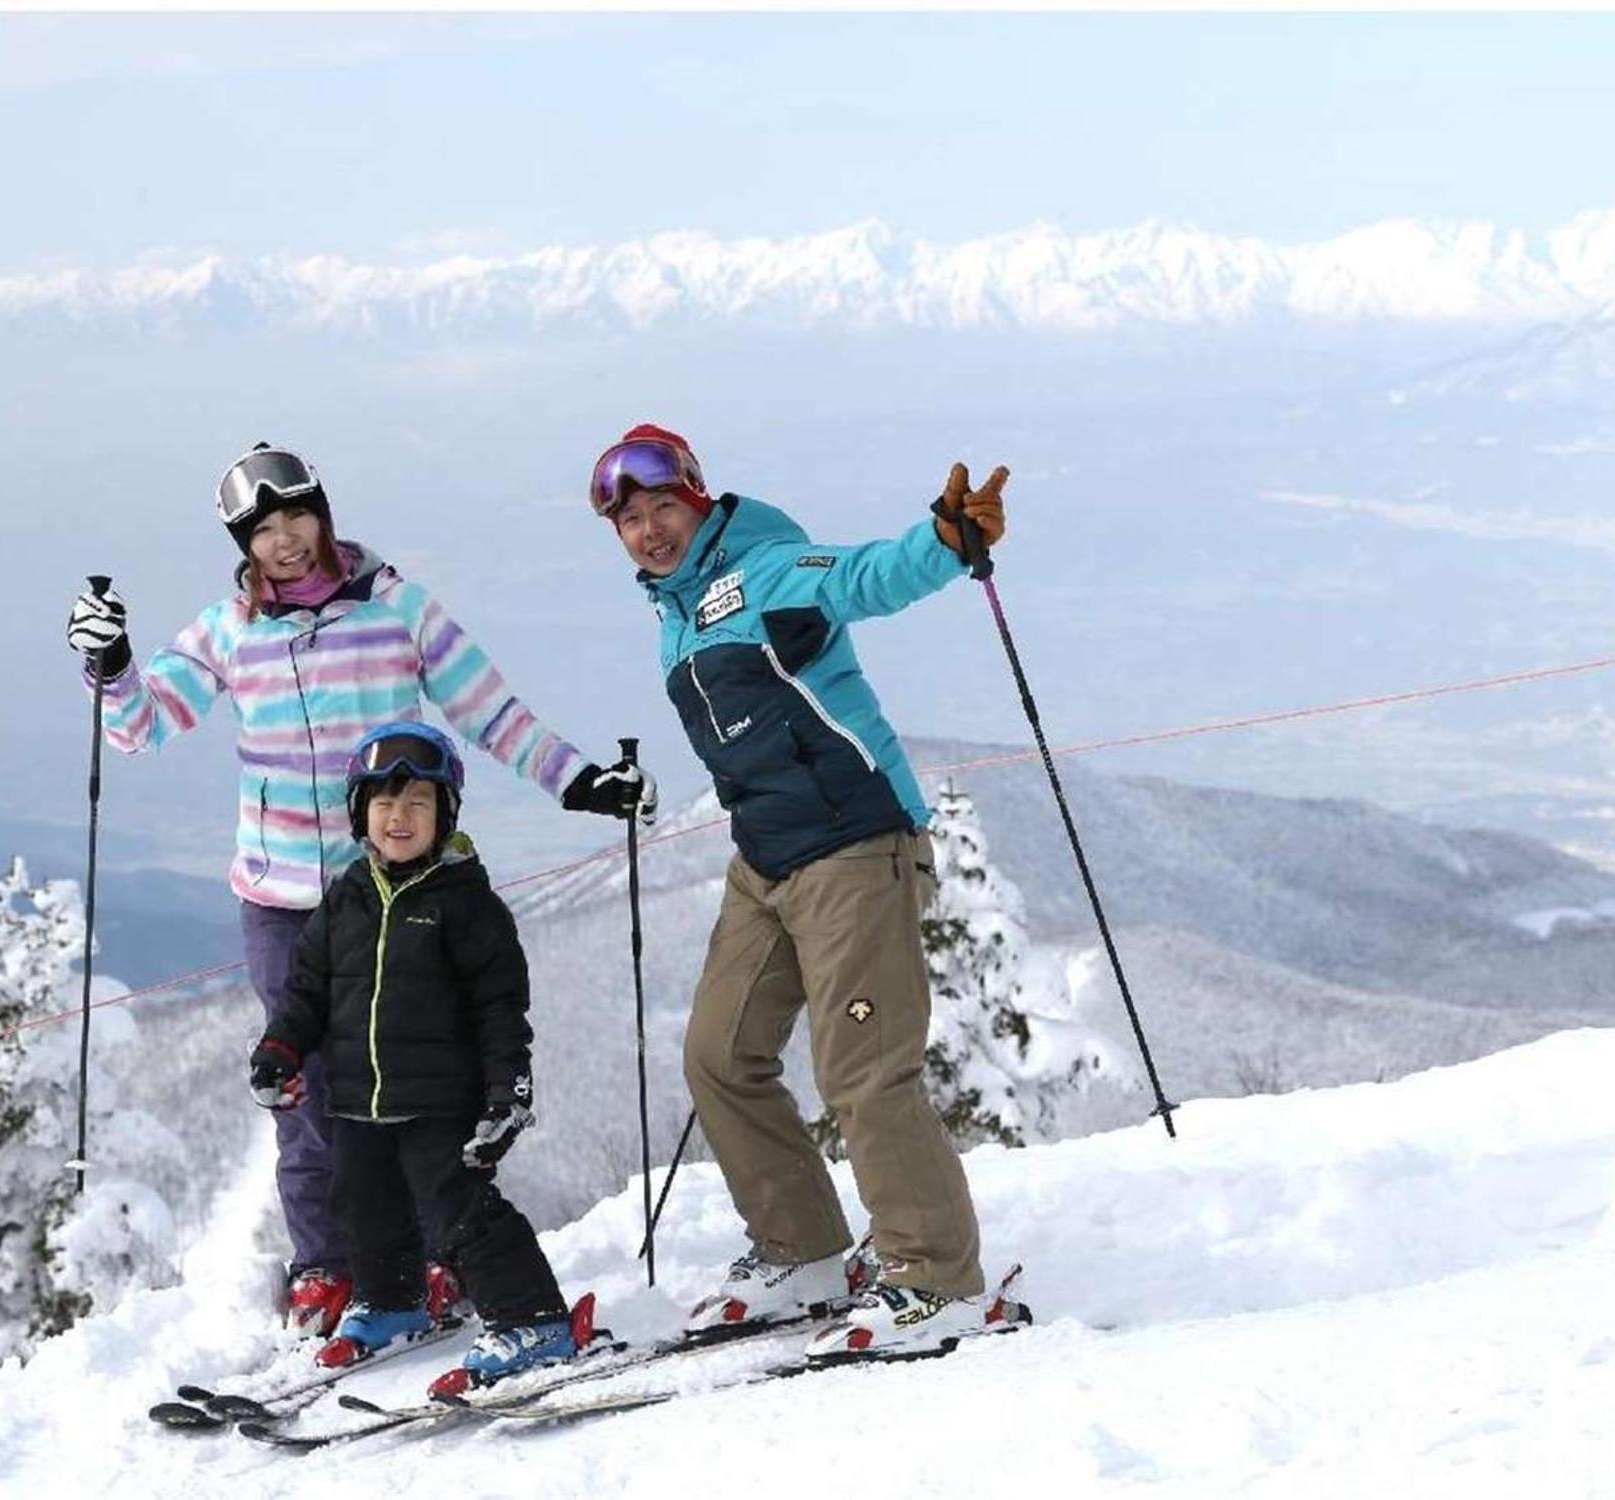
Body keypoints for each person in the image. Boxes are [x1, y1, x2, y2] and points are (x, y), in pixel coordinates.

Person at [65, 443, 655, 1336]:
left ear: (323, 513)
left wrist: (580, 784)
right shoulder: (229, 631)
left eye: (296, 517)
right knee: (299, 1090)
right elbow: (143, 724)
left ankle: (431, 1256)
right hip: (280, 899)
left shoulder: (397, 611)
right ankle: (328, 1270)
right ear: (243, 544)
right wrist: (110, 666)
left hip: (400, 892)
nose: (286, 542)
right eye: (262, 531)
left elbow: (493, 713)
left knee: (416, 1085)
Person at [586, 422, 1010, 1360]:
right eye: (630, 520)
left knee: (863, 1070)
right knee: (719, 1054)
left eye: (663, 507)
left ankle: (935, 1279)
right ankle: (805, 1251)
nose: (649, 530)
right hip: (767, 862)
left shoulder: (765, 565)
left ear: (697, 497)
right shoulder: (676, 610)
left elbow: (860, 576)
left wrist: (942, 542)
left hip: (856, 844)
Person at [246, 722, 583, 1384]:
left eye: (418, 804)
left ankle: (533, 1318)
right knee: (362, 1207)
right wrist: (279, 1049)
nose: (399, 818)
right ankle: (393, 1299)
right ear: (359, 813)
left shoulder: (468, 905)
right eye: (385, 803)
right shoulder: (347, 895)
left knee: (460, 1214)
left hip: (440, 1101)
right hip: (357, 1098)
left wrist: (507, 1097)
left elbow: (500, 1012)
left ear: (445, 813)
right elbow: (307, 988)